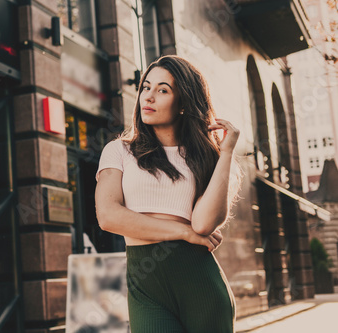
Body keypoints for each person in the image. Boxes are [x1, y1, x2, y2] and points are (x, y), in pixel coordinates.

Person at [94, 55, 243, 333]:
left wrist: (226, 154)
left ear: (184, 103)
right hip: (145, 286)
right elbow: (109, 216)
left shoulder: (204, 158)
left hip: (200, 282)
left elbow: (202, 225)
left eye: (163, 90)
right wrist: (183, 232)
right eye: (146, 88)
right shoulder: (119, 151)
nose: (148, 97)